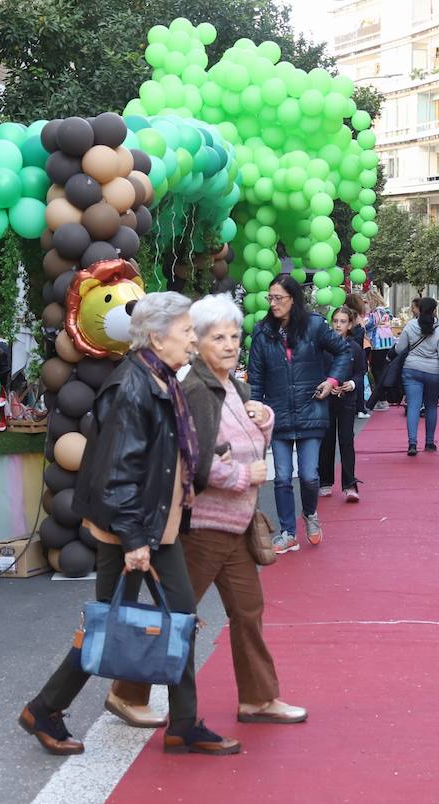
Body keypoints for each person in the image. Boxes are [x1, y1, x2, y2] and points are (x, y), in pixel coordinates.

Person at [21, 292, 243, 757]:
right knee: (110, 621)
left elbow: (159, 456)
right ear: (158, 337)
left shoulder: (159, 377)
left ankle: (183, 723)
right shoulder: (133, 386)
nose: (192, 338)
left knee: (176, 619)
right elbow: (118, 471)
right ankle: (45, 708)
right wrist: (135, 540)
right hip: (135, 527)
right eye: (185, 331)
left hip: (150, 524)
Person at [108, 295, 307, 728]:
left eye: (235, 336)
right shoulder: (197, 388)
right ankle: (127, 691)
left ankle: (258, 698)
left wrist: (265, 418)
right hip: (204, 524)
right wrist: (241, 476)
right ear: (196, 342)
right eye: (218, 337)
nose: (230, 344)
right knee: (175, 614)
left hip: (232, 525)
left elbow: (246, 440)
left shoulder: (233, 385)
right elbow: (193, 459)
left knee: (247, 610)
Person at [248, 274, 352, 553]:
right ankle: (287, 531)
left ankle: (310, 514)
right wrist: (255, 414)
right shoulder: (261, 332)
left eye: (278, 298)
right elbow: (255, 378)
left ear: (293, 299)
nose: (273, 303)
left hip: (311, 409)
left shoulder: (315, 326)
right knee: (282, 477)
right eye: (270, 298)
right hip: (278, 413)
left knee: (308, 475)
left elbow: (344, 352)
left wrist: (331, 382)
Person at [319, 306, 366, 502]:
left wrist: (351, 384)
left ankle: (350, 485)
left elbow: (360, 371)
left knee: (347, 441)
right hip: (326, 399)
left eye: (343, 321)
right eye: (336, 321)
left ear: (350, 324)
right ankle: (325, 481)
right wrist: (327, 384)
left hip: (347, 400)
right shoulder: (323, 346)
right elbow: (317, 369)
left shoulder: (354, 347)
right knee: (326, 441)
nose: (338, 325)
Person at [393, 296, 439, 456]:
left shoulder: (410, 325)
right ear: (434, 310)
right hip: (434, 371)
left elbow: (400, 349)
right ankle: (430, 442)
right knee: (431, 406)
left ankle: (412, 443)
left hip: (411, 369)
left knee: (413, 406)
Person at [363, 291, 396, 412]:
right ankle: (384, 398)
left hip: (378, 343)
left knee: (377, 371)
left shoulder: (377, 311)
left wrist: (363, 324)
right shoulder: (386, 310)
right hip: (387, 341)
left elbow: (370, 324)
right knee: (382, 370)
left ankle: (382, 400)